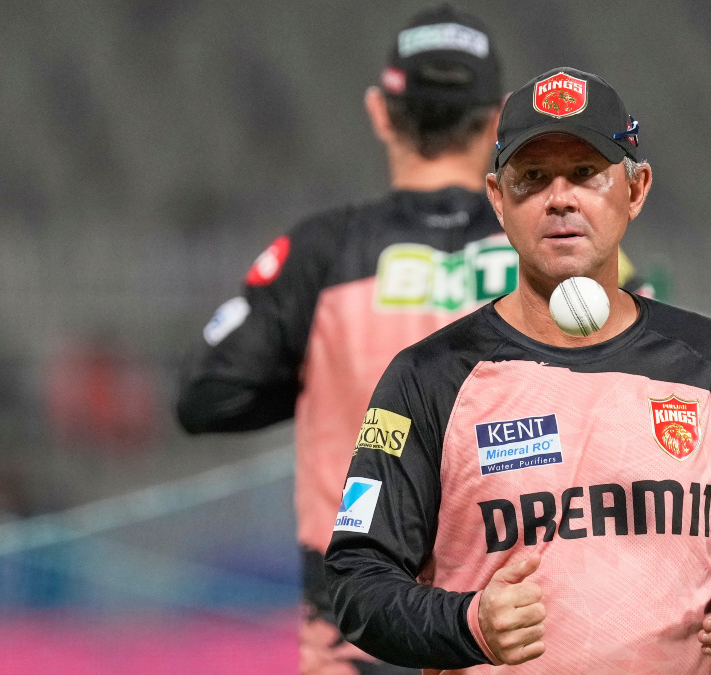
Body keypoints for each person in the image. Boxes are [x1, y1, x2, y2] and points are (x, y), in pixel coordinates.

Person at [324, 67, 711, 673]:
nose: (559, 197)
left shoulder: (708, 358)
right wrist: (468, 623)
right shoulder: (430, 375)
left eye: (585, 174)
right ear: (498, 200)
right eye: (532, 178)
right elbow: (356, 579)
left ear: (635, 190)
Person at [177, 6, 514, 674]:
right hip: (514, 607)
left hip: (358, 618)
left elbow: (203, 395)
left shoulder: (320, 254)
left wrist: (322, 376)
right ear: (501, 119)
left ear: (381, 112)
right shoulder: (560, 251)